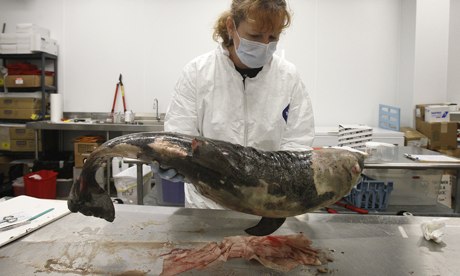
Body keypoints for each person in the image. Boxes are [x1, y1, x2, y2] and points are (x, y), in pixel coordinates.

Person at [156, 0, 315, 209]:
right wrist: (172, 159)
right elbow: (180, 136)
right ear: (231, 27)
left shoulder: (288, 78)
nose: (264, 45)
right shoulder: (197, 73)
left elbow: (298, 144)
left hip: (267, 207)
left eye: (273, 37)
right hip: (208, 208)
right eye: (255, 36)